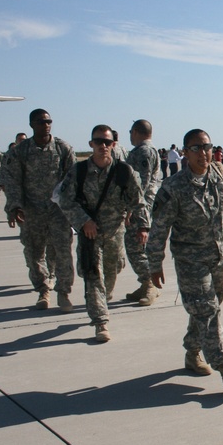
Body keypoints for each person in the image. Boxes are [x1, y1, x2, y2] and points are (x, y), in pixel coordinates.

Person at [148, 129, 223, 392]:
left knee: (204, 310)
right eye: (196, 148)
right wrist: (154, 262)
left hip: (221, 258)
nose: (203, 153)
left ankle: (192, 352)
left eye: (207, 147)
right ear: (185, 152)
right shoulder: (173, 187)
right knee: (207, 310)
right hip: (191, 260)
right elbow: (159, 227)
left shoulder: (221, 175)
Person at [57, 125, 148, 342]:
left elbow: (138, 201)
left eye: (107, 142)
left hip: (115, 232)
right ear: (91, 144)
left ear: (113, 145)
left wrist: (143, 227)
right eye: (98, 142)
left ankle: (103, 299)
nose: (103, 146)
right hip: (90, 234)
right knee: (92, 275)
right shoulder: (78, 172)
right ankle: (100, 322)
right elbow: (65, 200)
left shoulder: (124, 172)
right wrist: (84, 221)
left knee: (113, 269)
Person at [2, 108, 77, 311]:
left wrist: (72, 211)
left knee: (63, 252)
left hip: (58, 211)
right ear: (32, 125)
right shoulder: (20, 151)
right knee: (34, 254)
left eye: (48, 121)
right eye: (41, 122)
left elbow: (73, 181)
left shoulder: (63, 148)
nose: (46, 125)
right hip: (31, 210)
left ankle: (63, 292)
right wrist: (14, 206)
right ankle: (43, 289)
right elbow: (12, 180)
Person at [123, 119, 162, 306]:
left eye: (131, 131)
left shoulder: (144, 151)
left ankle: (149, 284)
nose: (130, 135)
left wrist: (132, 209)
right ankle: (145, 282)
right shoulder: (147, 150)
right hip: (142, 205)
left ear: (137, 131)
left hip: (141, 207)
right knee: (137, 247)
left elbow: (141, 184)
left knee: (135, 246)